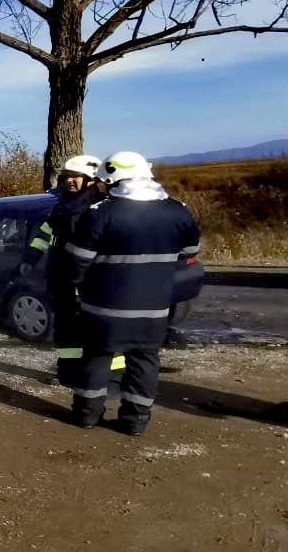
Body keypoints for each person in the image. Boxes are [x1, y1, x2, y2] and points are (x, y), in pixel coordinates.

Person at [62, 151, 200, 435]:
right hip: (155, 308)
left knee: (96, 358)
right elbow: (188, 255)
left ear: (112, 180)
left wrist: (75, 287)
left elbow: (76, 261)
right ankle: (135, 421)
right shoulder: (178, 211)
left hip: (103, 308)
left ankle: (87, 416)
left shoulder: (101, 213)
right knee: (145, 361)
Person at [28, 155, 104, 386]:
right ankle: (69, 373)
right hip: (64, 278)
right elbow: (45, 232)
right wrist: (30, 257)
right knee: (66, 328)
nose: (70, 181)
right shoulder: (63, 206)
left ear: (90, 179)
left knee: (97, 329)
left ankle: (107, 376)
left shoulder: (99, 208)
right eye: (67, 177)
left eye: (76, 177)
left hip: (92, 280)